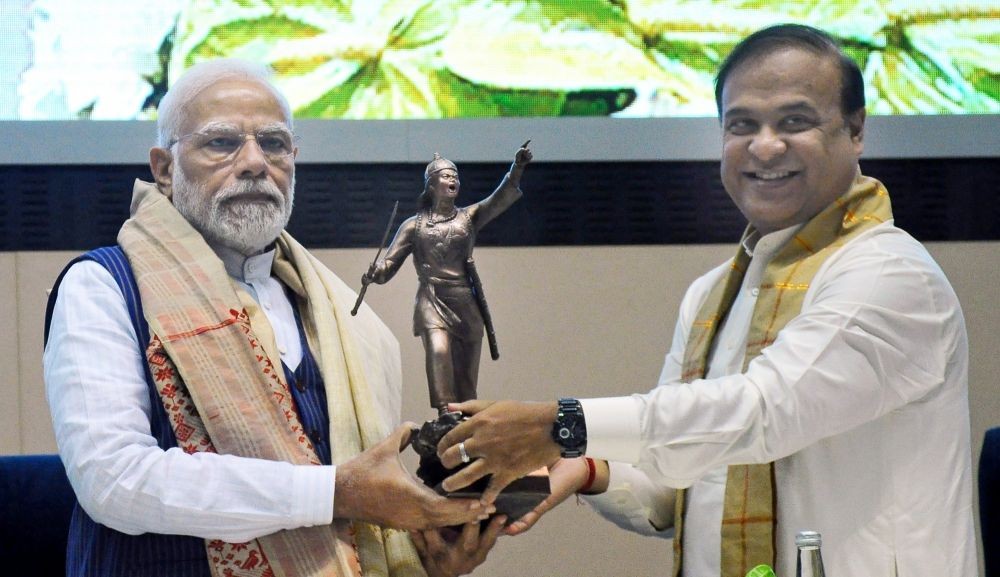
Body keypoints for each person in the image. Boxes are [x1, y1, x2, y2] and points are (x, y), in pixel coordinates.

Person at [433, 23, 978, 577]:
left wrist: (561, 424)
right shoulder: (713, 293)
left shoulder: (888, 273)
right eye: (742, 125)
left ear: (856, 130)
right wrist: (584, 468)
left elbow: (764, 412)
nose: (765, 146)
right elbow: (677, 482)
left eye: (795, 121)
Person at [42, 58, 506, 577]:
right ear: (164, 168)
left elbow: (365, 504)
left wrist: (426, 554)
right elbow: (114, 480)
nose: (254, 162)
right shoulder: (103, 285)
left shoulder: (333, 311)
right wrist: (337, 493)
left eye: (274, 144)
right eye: (221, 142)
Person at [362, 145, 532, 415]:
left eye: (455, 176)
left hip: (465, 302)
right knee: (438, 352)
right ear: (431, 185)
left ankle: (465, 418)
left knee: (466, 382)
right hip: (432, 299)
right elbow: (389, 264)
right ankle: (444, 414)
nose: (453, 180)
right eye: (446, 176)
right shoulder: (413, 225)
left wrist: (517, 168)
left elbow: (498, 199)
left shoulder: (468, 217)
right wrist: (376, 272)